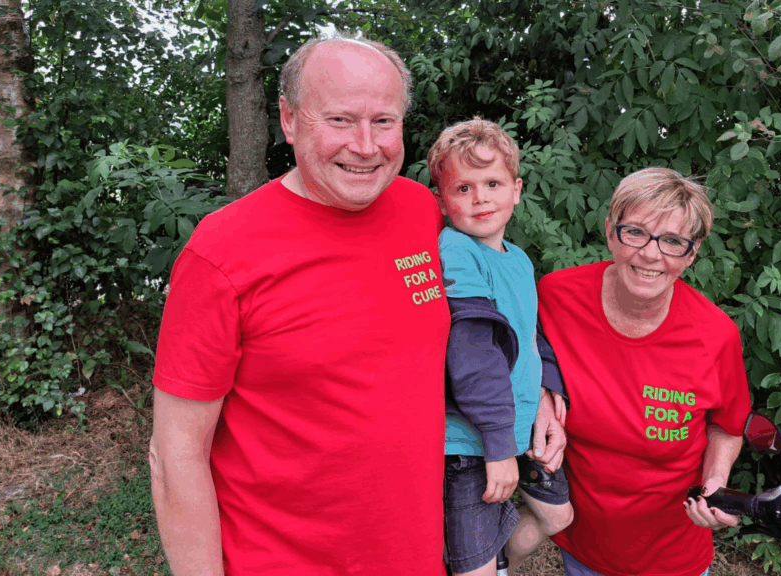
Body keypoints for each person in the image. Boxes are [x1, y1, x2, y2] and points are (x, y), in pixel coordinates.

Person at [148, 33, 566, 576]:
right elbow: (175, 453)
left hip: (417, 555)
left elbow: (499, 309)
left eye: (384, 121)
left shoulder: (422, 213)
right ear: (289, 119)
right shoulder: (223, 252)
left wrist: (542, 390)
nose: (366, 146)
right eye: (340, 120)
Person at [536, 167, 752, 576]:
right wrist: (541, 397)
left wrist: (716, 480)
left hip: (673, 557)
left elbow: (727, 426)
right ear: (610, 232)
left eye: (672, 241)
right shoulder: (556, 297)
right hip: (582, 547)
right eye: (635, 232)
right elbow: (519, 357)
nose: (651, 254)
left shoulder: (715, 336)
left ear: (692, 252)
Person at [427, 118, 573, 576]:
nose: (481, 198)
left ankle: (499, 561)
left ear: (516, 190)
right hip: (472, 441)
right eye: (463, 188)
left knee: (557, 517)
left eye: (492, 183)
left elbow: (529, 333)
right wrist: (496, 447)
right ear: (442, 201)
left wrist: (550, 387)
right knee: (474, 570)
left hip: (519, 428)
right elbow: (472, 357)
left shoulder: (519, 258)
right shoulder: (456, 251)